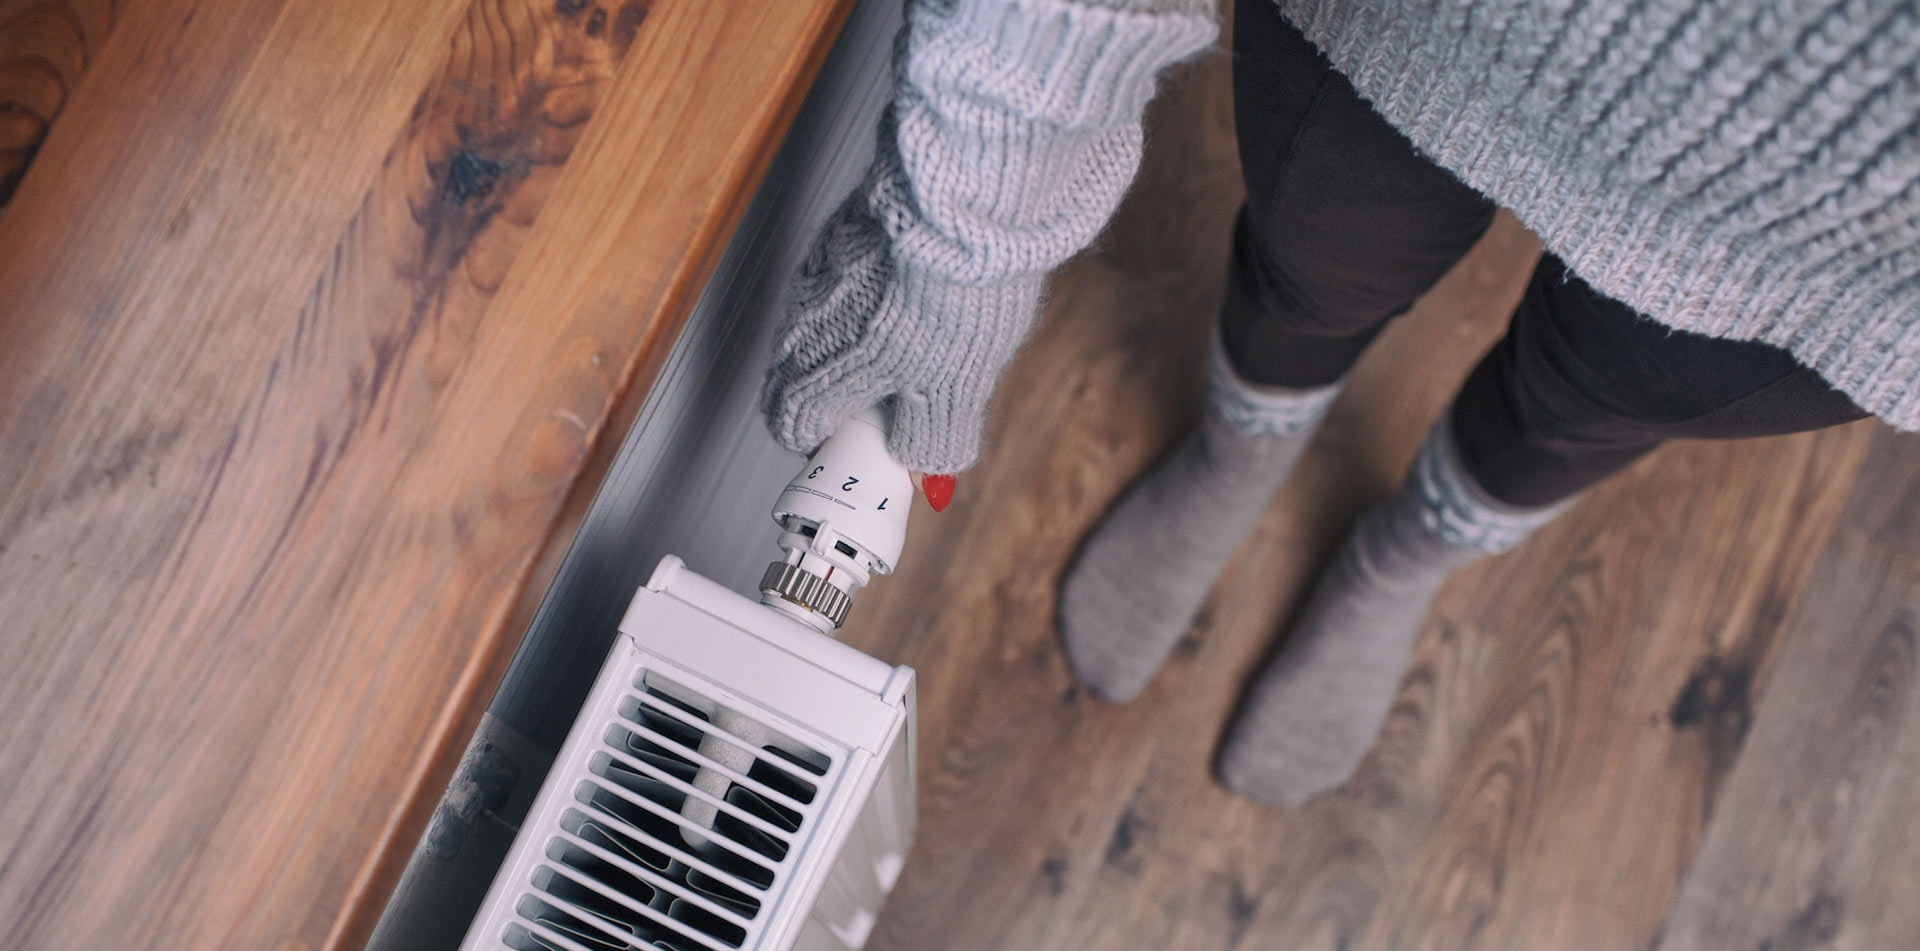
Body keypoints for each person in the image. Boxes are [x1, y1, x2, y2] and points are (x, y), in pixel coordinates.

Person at [759, 0, 1919, 806]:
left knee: (1586, 411)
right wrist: (966, 241)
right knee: (1311, 268)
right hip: (1441, 26)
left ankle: (1400, 561)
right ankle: (1239, 454)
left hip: (1856, 259)